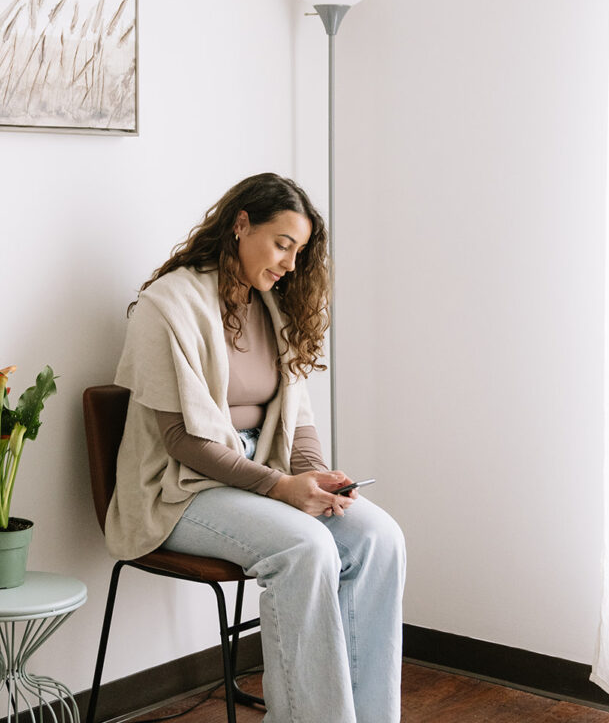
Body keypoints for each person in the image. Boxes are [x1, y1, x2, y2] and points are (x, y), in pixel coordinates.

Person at [105, 172, 406, 723]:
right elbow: (181, 440)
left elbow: (298, 414)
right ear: (240, 225)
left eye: (300, 251)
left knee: (379, 537)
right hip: (180, 488)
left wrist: (314, 476)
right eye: (282, 245)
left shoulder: (274, 306)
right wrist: (280, 487)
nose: (291, 264)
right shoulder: (166, 304)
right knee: (305, 548)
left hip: (260, 477)